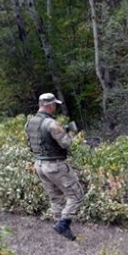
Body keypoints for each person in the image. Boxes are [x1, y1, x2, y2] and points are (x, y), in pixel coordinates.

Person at [25, 93, 84, 241]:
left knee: (55, 196)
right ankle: (63, 223)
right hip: (55, 165)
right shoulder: (51, 123)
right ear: (50, 105)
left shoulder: (30, 123)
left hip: (39, 164)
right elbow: (66, 143)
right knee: (76, 195)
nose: (55, 107)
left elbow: (34, 142)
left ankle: (59, 224)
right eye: (54, 105)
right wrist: (68, 133)